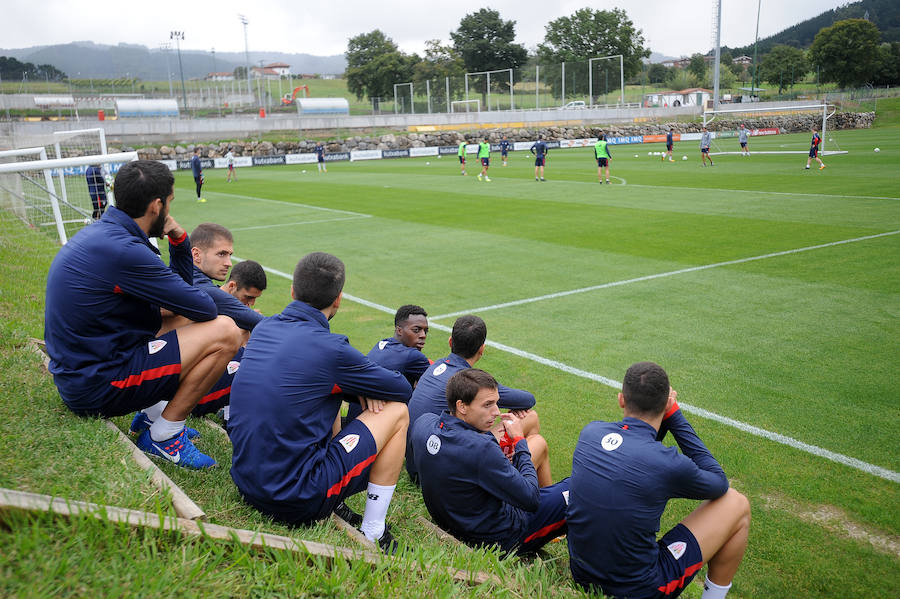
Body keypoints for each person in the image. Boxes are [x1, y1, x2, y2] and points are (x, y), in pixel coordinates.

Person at [44, 160, 243, 469]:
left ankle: (151, 415)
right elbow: (202, 306)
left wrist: (177, 243)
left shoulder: (103, 235)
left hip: (78, 375)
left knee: (177, 318)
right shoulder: (126, 251)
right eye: (171, 202)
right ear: (157, 206)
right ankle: (165, 436)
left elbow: (180, 302)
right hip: (95, 386)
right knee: (226, 330)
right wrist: (180, 241)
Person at [229, 252, 412, 552]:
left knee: (329, 392)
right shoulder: (333, 349)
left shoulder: (264, 328)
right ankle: (374, 530)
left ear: (292, 290)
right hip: (296, 498)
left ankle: (338, 502)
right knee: (397, 412)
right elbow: (400, 389)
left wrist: (345, 387)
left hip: (247, 483)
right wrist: (356, 387)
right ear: (338, 300)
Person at [568, 361, 750, 599]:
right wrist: (674, 415)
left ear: (621, 399)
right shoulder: (668, 463)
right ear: (665, 405)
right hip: (637, 591)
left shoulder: (590, 433)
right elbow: (719, 482)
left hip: (582, 574)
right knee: (737, 504)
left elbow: (639, 449)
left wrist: (664, 412)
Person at [410, 369, 569, 555]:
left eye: (496, 403)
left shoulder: (424, 424)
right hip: (502, 537)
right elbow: (531, 499)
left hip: (454, 518)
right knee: (576, 488)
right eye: (487, 405)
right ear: (462, 406)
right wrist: (519, 441)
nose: (496, 412)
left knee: (539, 443)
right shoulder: (481, 448)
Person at [406, 315, 545, 483]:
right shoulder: (469, 382)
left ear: (450, 342)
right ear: (482, 349)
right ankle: (524, 480)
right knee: (531, 418)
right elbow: (527, 400)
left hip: (416, 463)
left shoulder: (436, 366)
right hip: (441, 472)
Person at [345, 304, 431, 423]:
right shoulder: (413, 356)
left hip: (352, 421)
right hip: (375, 426)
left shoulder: (382, 343)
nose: (423, 335)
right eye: (416, 330)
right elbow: (436, 385)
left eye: (426, 331)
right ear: (399, 330)